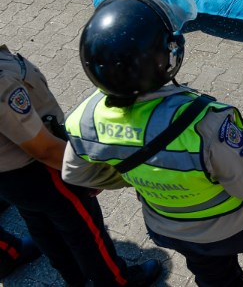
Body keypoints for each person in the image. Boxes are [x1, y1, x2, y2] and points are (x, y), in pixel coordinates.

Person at [61, 0, 243, 287]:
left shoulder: (84, 120)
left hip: (168, 226)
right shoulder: (204, 123)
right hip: (233, 224)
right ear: (165, 60)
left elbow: (76, 174)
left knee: (209, 266)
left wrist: (139, 175)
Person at [0, 43, 161, 286]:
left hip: (10, 176)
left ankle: (73, 278)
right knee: (85, 232)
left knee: (42, 225)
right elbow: (42, 148)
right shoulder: (3, 82)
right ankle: (116, 281)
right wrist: (91, 172)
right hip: (43, 169)